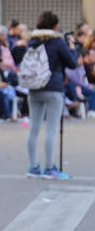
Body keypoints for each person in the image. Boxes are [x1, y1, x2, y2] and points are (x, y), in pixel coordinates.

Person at [25, 11, 78, 179]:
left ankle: (33, 167)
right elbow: (72, 63)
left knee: (34, 129)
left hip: (34, 88)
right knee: (51, 130)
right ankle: (49, 168)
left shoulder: (32, 42)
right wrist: (72, 47)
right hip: (53, 88)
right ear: (56, 26)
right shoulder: (58, 42)